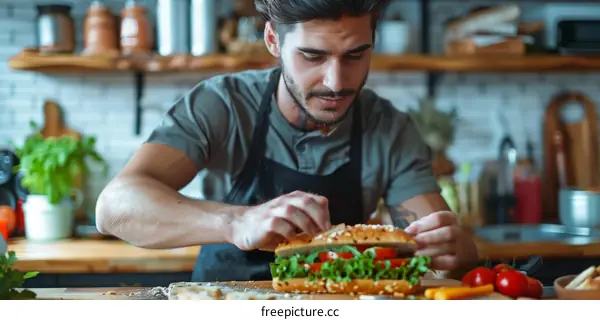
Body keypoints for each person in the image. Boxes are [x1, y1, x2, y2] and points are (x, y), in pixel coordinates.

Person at [95, 0, 479, 282]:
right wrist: (237, 221)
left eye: (355, 55)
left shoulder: (390, 129)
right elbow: (113, 209)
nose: (336, 82)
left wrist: (455, 251)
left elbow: (445, 249)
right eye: (313, 56)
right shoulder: (223, 105)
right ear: (273, 41)